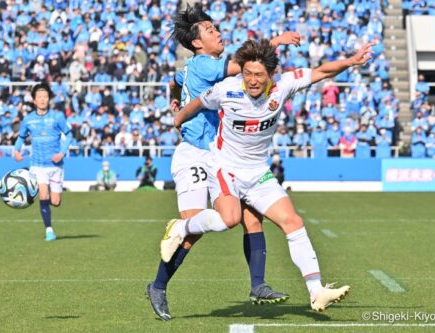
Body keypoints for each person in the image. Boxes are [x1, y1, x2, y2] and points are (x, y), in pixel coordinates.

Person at [165, 38, 375, 312]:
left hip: (258, 173)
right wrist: (179, 117)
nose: (252, 81)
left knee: (293, 222)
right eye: (247, 74)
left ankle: (316, 291)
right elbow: (198, 103)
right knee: (230, 219)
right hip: (225, 169)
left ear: (271, 76)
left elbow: (321, 72)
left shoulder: (284, 86)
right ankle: (181, 227)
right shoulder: (226, 89)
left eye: (258, 75)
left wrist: (350, 61)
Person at [146, 3, 300, 321]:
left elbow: (174, 80)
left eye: (216, 26)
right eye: (210, 29)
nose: (217, 31)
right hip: (194, 154)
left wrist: (174, 98)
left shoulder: (194, 65)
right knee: (194, 228)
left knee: (251, 216)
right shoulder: (205, 63)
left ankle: (258, 285)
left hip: (220, 155)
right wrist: (276, 41)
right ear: (196, 42)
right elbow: (244, 67)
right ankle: (158, 285)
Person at [13, 82, 73, 241]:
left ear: (49, 99)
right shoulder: (28, 119)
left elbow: (70, 135)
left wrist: (61, 153)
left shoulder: (58, 117)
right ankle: (49, 231)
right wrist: (16, 151)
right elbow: (20, 137)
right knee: (43, 195)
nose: (42, 99)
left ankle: (52, 202)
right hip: (37, 165)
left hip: (55, 166)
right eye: (39, 97)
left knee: (55, 201)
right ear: (34, 100)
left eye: (45, 97)